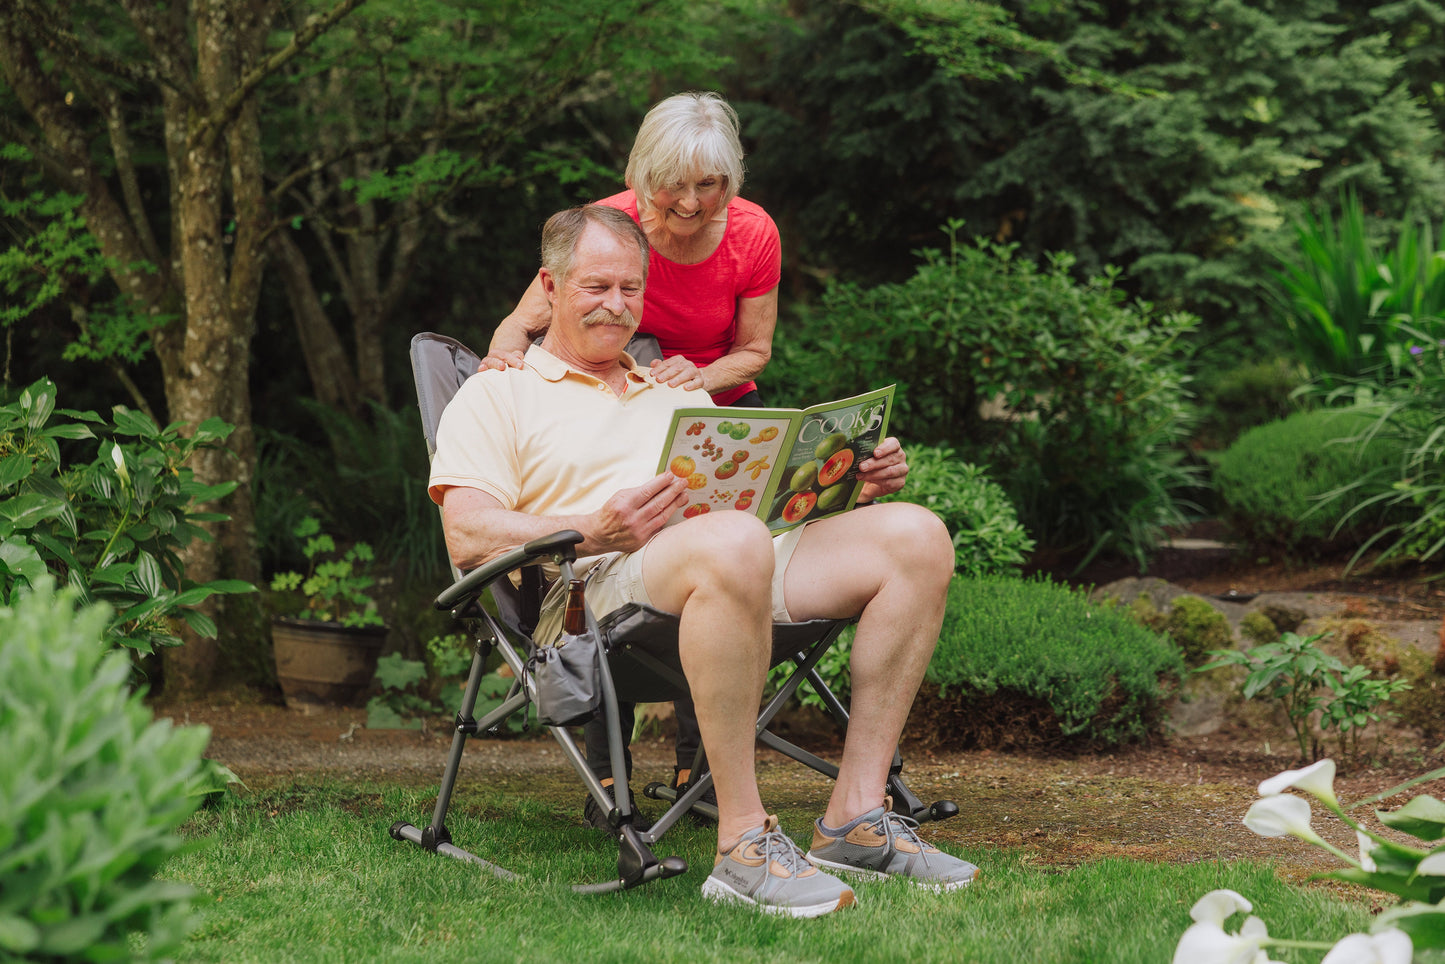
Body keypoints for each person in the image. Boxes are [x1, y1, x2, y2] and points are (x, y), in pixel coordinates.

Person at [429, 204, 975, 917]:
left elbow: (756, 510)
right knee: (733, 540)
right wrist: (592, 528)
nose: (616, 304)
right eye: (596, 286)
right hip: (595, 595)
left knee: (916, 536)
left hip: (731, 563)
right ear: (551, 287)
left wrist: (846, 487)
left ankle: (856, 819)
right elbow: (466, 534)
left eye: (630, 288)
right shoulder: (499, 391)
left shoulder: (677, 391)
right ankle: (743, 842)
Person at [484, 91, 780, 819]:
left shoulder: (752, 235)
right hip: (608, 399)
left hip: (705, 402)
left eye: (709, 184)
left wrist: (695, 376)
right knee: (606, 544)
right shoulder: (607, 231)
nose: (690, 203)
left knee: (721, 551)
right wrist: (500, 384)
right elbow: (519, 326)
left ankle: (696, 769)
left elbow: (754, 352)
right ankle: (606, 776)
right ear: (640, 176)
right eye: (671, 185)